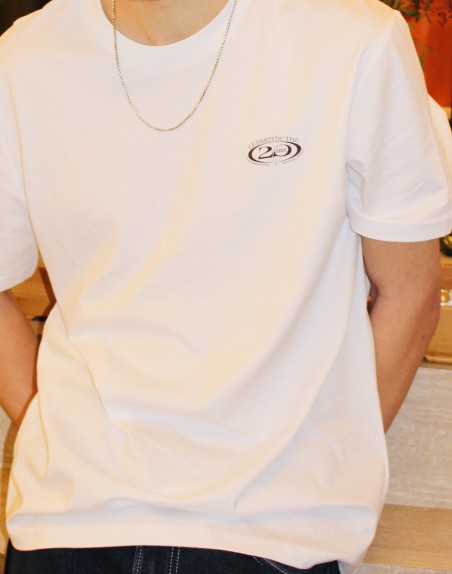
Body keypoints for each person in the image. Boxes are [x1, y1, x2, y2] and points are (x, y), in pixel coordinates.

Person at [0, 0, 451, 573]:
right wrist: (51, 425)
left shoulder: (354, 41)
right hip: (66, 528)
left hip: (271, 538)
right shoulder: (26, 59)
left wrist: (318, 462)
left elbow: (411, 295)